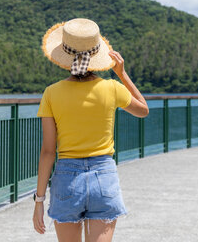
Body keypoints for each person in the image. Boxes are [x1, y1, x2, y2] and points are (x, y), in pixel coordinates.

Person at [32, 18, 149, 242]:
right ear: (97, 57)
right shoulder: (112, 88)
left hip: (67, 178)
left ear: (64, 59)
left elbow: (48, 151)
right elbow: (143, 110)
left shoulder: (51, 93)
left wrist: (39, 201)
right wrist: (122, 74)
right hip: (103, 176)